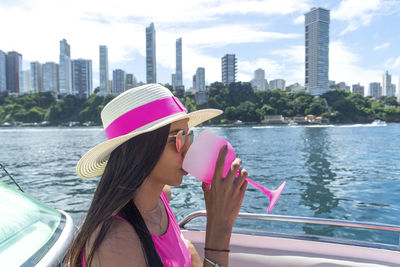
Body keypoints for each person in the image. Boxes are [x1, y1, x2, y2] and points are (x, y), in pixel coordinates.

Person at [65, 84, 248, 267]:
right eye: (178, 138)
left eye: (188, 137)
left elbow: (180, 248)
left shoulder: (161, 198)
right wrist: (219, 229)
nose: (188, 150)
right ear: (136, 151)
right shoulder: (116, 244)